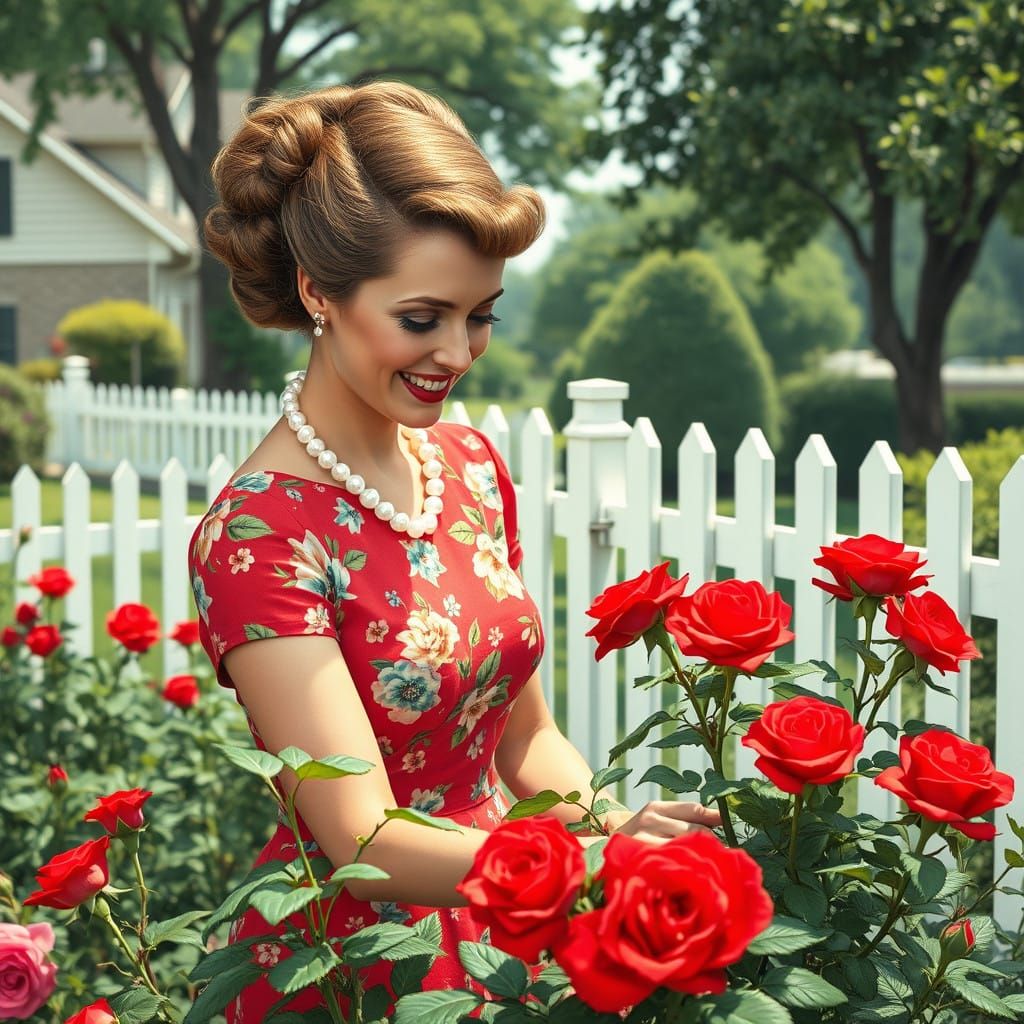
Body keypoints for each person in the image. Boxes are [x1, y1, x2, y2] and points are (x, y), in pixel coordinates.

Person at [187, 80, 720, 1021]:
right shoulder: (259, 538)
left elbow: (528, 741)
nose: (459, 352)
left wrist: (619, 838)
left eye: (481, 315)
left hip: (512, 920)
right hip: (354, 956)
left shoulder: (468, 466)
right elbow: (363, 840)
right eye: (422, 318)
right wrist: (591, 862)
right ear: (318, 291)